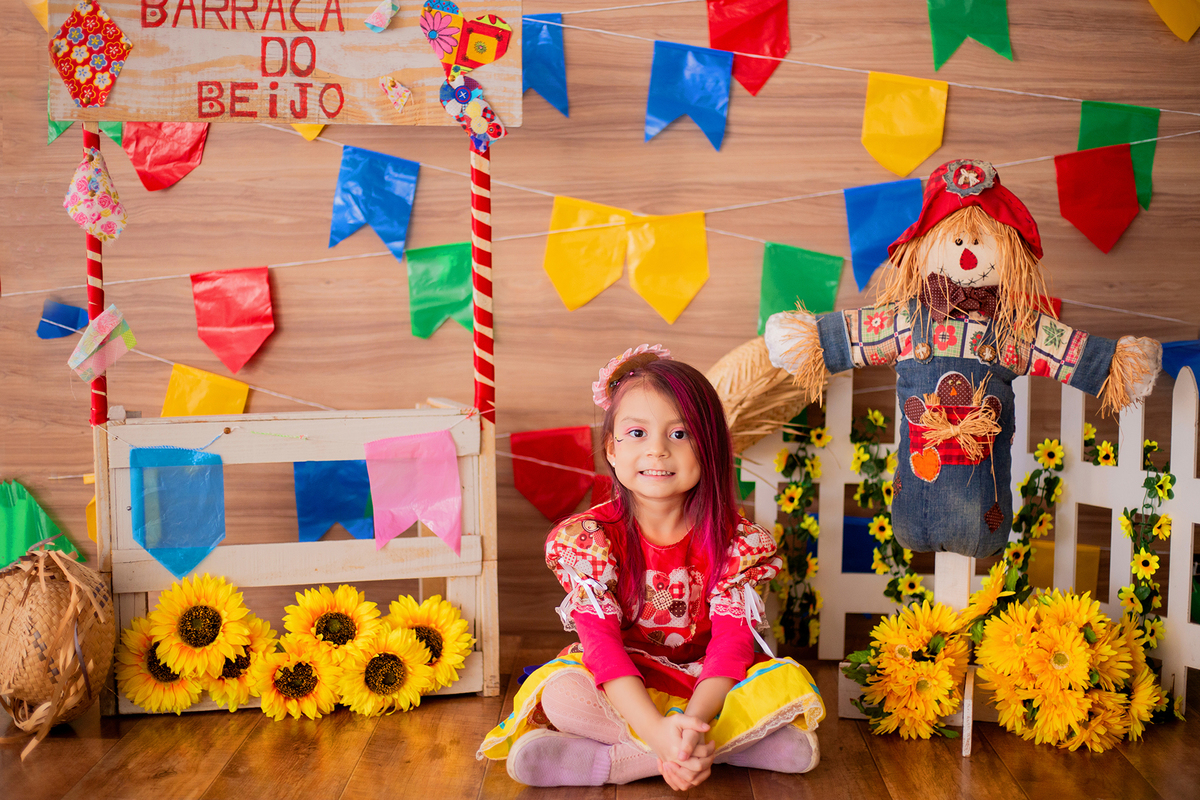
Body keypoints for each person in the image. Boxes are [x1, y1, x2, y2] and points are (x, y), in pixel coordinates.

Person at [478, 344, 825, 790]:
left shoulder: (736, 544)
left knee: (788, 686)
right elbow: (601, 648)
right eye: (637, 434)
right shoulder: (591, 541)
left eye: (679, 435)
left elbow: (732, 647)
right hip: (626, 679)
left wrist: (691, 721)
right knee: (562, 696)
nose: (657, 451)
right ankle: (729, 750)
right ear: (612, 449)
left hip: (709, 684)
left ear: (710, 448)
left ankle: (609, 763)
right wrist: (659, 732)